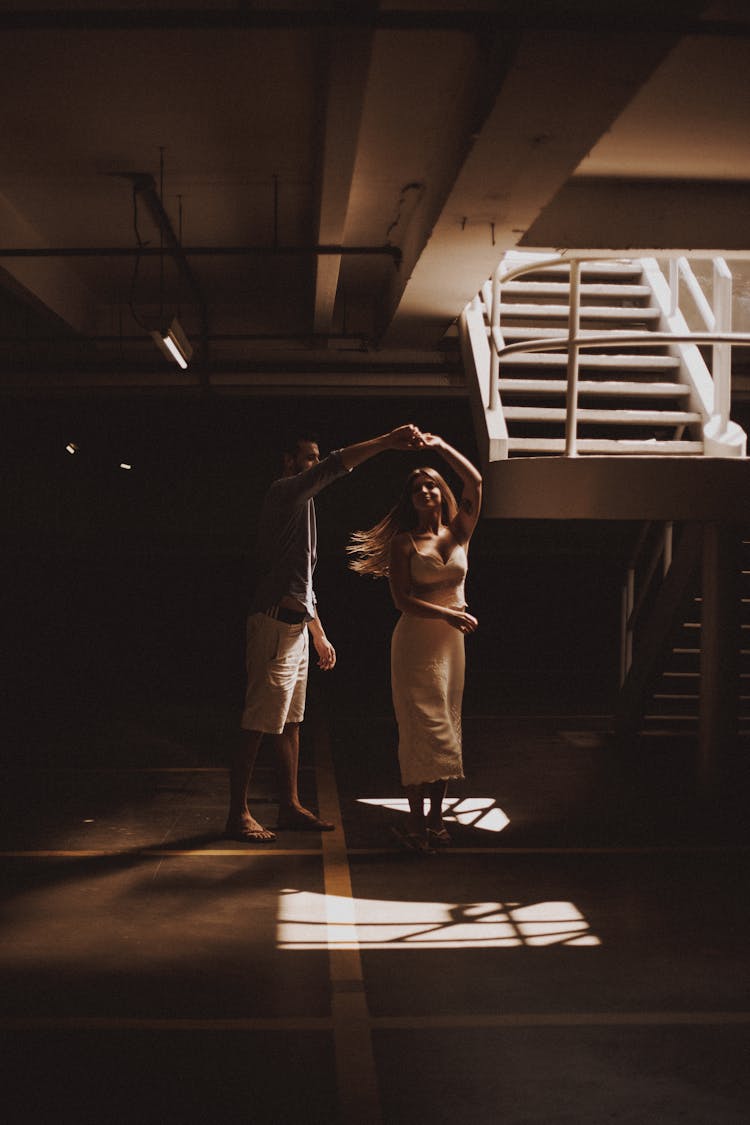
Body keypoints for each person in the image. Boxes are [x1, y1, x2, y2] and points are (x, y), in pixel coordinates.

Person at [225, 423, 425, 842]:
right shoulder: (286, 492)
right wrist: (387, 442)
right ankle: (238, 813)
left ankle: (290, 805)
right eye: (309, 457)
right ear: (290, 462)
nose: (315, 464)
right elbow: (337, 466)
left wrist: (317, 632)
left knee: (292, 721)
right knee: (258, 720)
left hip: (295, 627)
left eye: (315, 457)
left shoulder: (306, 506)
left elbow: (302, 579)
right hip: (273, 623)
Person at [347, 434, 482, 854]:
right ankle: (417, 825)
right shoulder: (403, 543)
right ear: (411, 498)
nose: (424, 490)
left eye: (431, 484)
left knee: (446, 731)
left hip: (450, 649)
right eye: (416, 487)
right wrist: (450, 614)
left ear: (441, 493)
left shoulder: (459, 532)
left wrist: (440, 446)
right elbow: (402, 600)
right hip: (415, 645)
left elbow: (475, 483)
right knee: (419, 730)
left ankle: (436, 821)